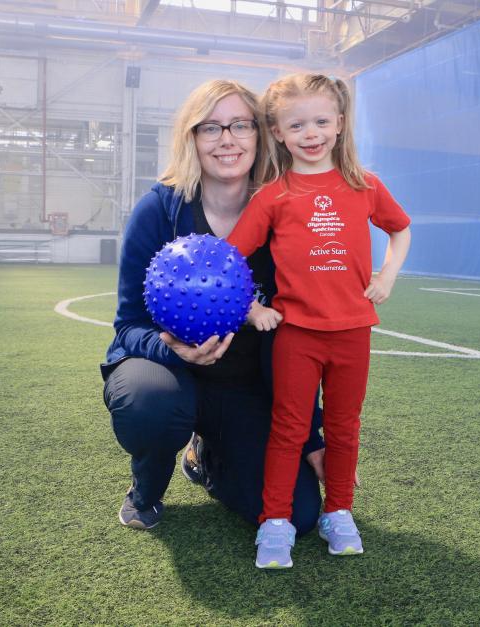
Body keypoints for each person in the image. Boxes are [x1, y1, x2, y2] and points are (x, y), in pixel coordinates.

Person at [101, 79, 325, 534]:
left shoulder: (285, 214)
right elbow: (128, 325)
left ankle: (207, 455)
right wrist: (173, 349)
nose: (227, 140)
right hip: (166, 372)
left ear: (261, 135)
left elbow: (297, 336)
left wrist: (311, 434)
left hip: (242, 384)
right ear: (192, 138)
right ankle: (146, 489)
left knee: (298, 515)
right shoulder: (160, 210)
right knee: (150, 404)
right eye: (211, 128)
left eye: (240, 125)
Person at [227, 73, 412, 568]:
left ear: (340, 124)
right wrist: (253, 309)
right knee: (288, 429)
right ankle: (275, 523)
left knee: (345, 427)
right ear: (279, 133)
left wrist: (388, 276)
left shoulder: (365, 185)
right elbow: (230, 259)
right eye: (297, 124)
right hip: (296, 337)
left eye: (321, 121)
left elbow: (401, 230)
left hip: (353, 334)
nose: (311, 133)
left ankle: (340, 512)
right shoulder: (273, 196)